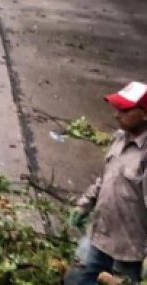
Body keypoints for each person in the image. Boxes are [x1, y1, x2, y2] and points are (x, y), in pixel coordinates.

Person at [67, 81, 146, 285]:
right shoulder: (119, 139)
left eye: (125, 110)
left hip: (129, 251)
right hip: (100, 235)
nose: (116, 115)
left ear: (145, 114)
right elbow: (105, 179)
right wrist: (84, 204)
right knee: (75, 279)